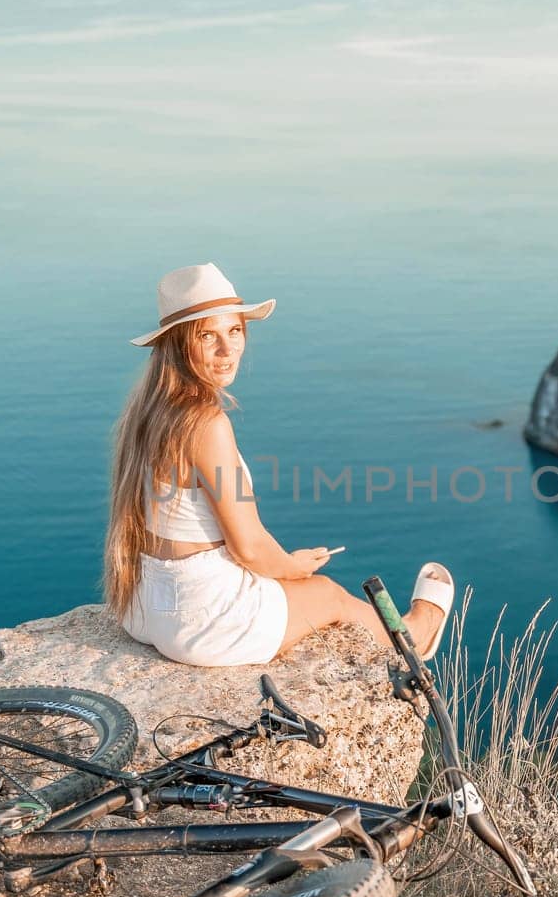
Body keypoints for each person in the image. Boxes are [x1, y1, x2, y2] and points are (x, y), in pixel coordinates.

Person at [103, 262, 453, 667]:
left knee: (300, 583)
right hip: (199, 622)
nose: (227, 349)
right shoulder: (206, 423)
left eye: (234, 331)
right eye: (207, 336)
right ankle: (417, 635)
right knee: (328, 594)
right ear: (178, 345)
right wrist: (291, 567)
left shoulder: (147, 411)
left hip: (145, 605)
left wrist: (285, 564)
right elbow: (249, 548)